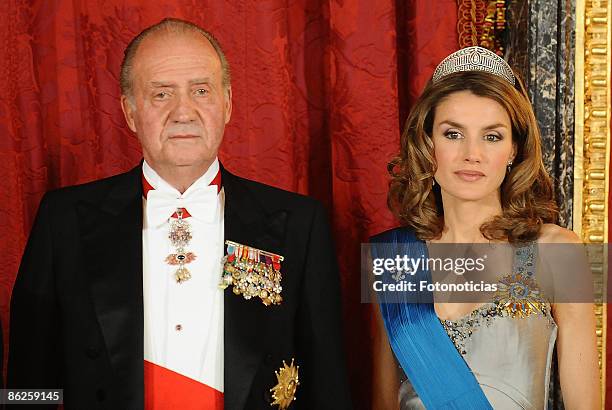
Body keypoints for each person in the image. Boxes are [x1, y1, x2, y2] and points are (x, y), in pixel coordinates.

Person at [7, 18, 352, 410]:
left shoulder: (299, 223)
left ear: (227, 104)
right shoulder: (62, 219)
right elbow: (26, 385)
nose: (183, 111)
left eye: (201, 91)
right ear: (130, 112)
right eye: (161, 94)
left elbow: (328, 387)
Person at [371, 47, 600, 409]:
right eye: (453, 134)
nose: (471, 154)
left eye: (491, 136)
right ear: (427, 142)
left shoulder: (559, 252)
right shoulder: (395, 258)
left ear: (513, 149)